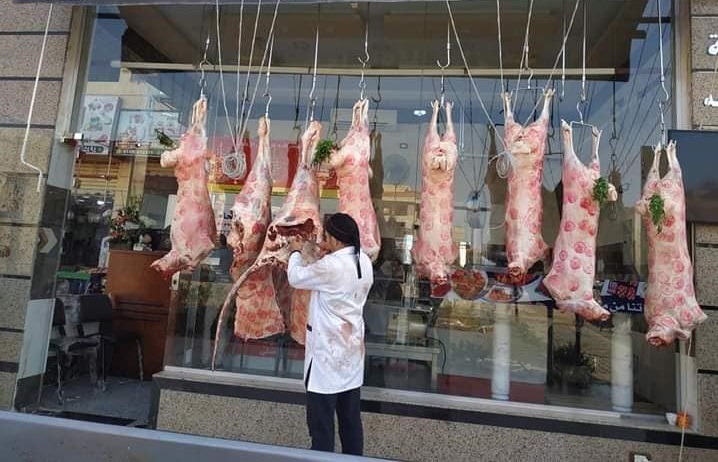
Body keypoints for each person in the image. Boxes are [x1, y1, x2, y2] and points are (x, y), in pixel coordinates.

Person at [287, 212, 374, 456]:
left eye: (326, 236)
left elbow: (295, 277)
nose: (323, 240)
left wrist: (295, 252)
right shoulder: (364, 261)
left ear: (335, 238)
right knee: (350, 421)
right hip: (351, 353)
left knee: (321, 427)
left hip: (327, 355)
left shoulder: (331, 266)